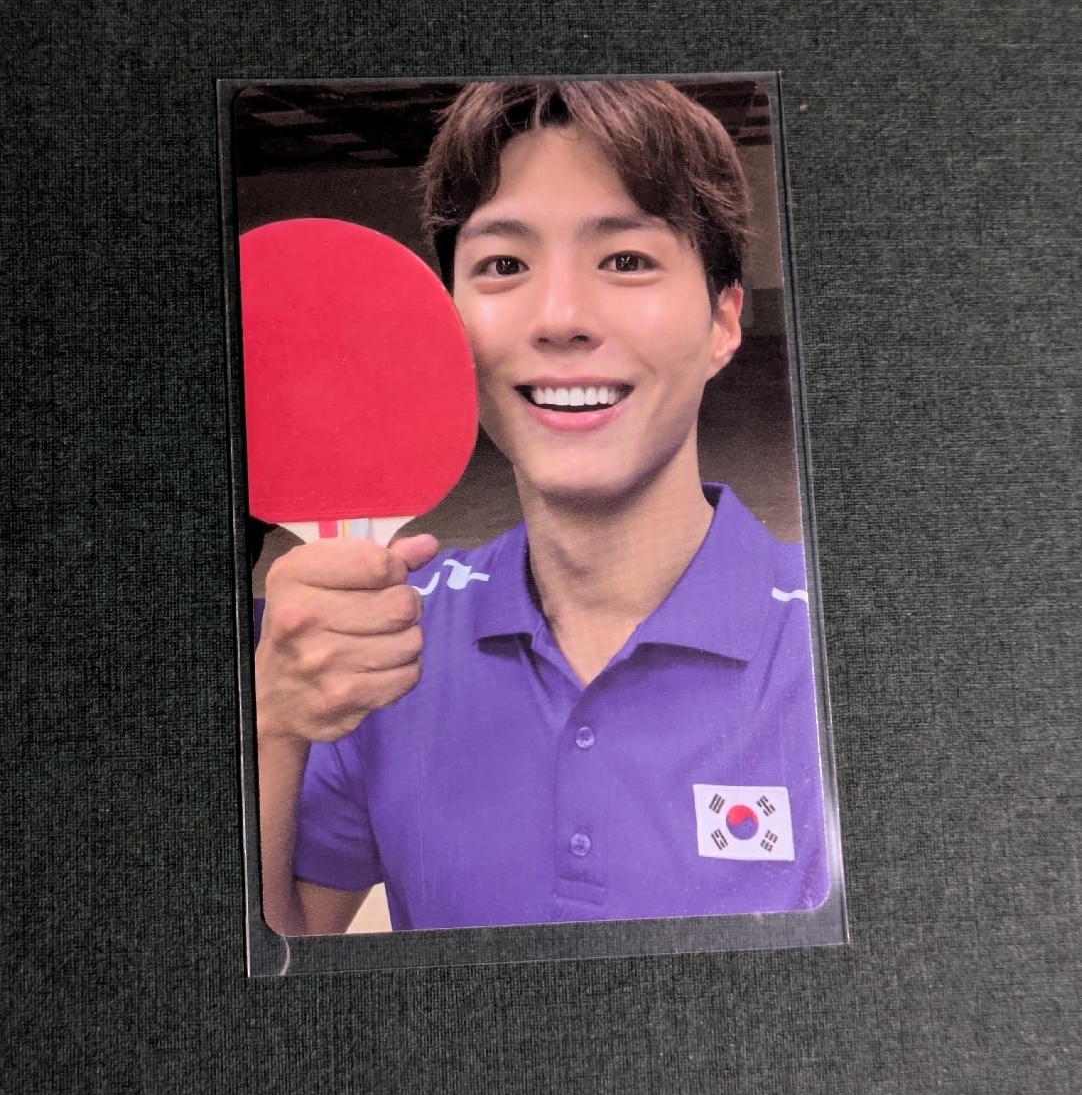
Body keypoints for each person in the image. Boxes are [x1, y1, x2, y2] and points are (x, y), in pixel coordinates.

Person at [254, 80, 829, 936]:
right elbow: (285, 943)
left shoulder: (833, 656)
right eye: (504, 265)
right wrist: (271, 727)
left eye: (626, 259)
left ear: (722, 320)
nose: (560, 318)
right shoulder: (385, 637)